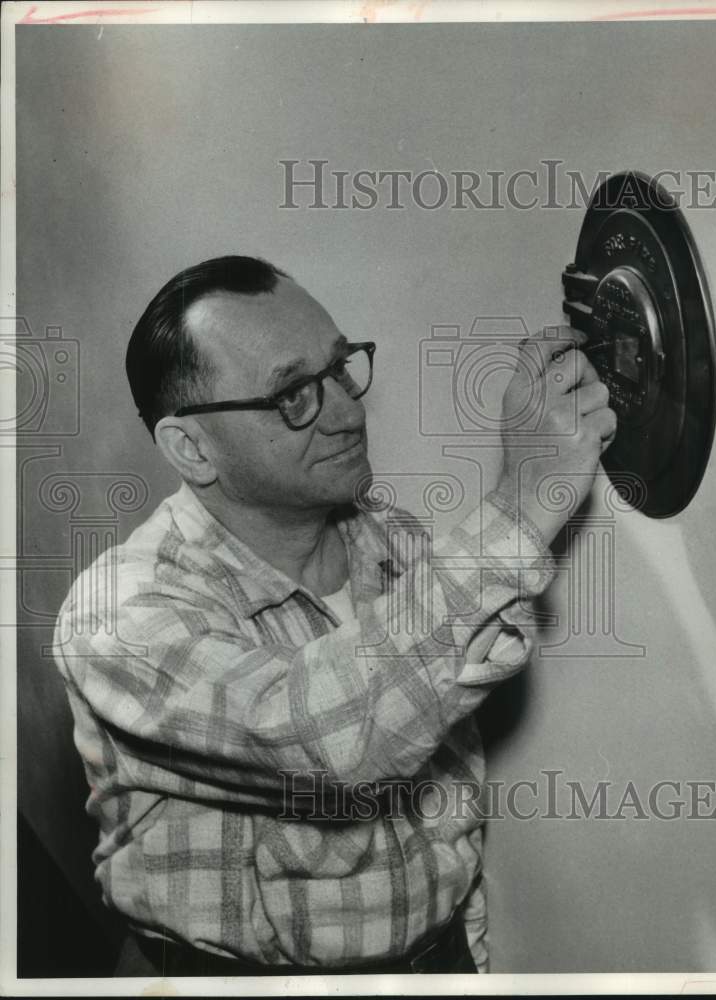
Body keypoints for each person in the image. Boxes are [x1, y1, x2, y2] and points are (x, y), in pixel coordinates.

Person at [53, 255, 616, 976]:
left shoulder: (395, 542)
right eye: (292, 394)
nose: (348, 411)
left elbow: (445, 809)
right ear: (190, 447)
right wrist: (515, 509)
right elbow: (327, 743)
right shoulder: (119, 613)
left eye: (341, 367)